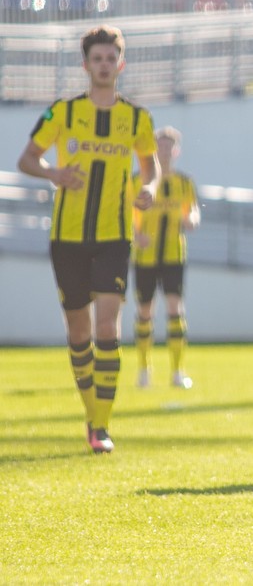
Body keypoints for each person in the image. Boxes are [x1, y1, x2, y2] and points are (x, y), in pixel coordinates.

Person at [16, 24, 159, 454]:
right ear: (85, 65)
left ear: (121, 63)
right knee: (79, 331)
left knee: (107, 326)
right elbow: (27, 159)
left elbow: (149, 167)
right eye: (96, 58)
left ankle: (101, 426)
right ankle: (90, 416)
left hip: (114, 236)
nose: (103, 65)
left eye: (110, 58)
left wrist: (149, 187)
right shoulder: (61, 112)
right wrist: (53, 173)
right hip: (68, 238)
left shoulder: (137, 118)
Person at [131, 126, 200, 390]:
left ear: (176, 151)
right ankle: (144, 369)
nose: (164, 151)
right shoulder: (139, 180)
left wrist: (191, 219)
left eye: (168, 146)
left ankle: (177, 371)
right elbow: (127, 213)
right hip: (145, 256)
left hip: (173, 254)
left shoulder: (184, 182)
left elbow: (193, 211)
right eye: (159, 146)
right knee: (145, 311)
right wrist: (136, 235)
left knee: (175, 309)